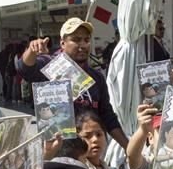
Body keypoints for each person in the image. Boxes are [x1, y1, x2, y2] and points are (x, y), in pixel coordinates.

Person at [17, 18, 128, 148]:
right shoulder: (50, 66)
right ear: (62, 43)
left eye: (86, 40)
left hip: (89, 153)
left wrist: (127, 146)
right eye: (76, 39)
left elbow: (107, 115)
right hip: (57, 152)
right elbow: (24, 68)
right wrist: (31, 50)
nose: (82, 45)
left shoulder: (97, 77)